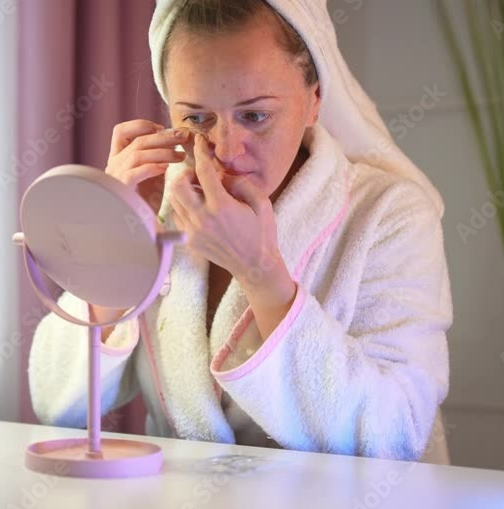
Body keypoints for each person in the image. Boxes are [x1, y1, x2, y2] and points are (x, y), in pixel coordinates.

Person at [28, 0, 453, 462]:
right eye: (196, 118)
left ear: (314, 100)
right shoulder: (159, 205)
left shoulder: (389, 215)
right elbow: (55, 402)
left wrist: (260, 272)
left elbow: (397, 433)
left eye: (254, 116)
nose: (226, 150)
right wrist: (113, 240)